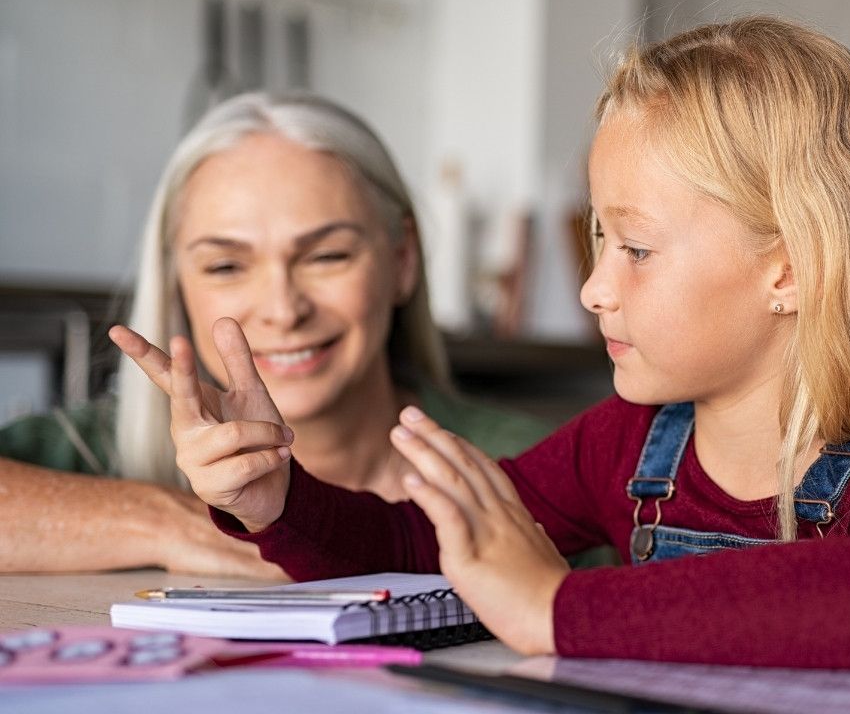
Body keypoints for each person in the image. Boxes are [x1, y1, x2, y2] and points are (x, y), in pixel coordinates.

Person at [120, 18, 850, 668]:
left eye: (637, 249)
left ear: (787, 269)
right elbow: (428, 547)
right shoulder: (623, 445)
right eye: (596, 241)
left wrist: (554, 611)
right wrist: (275, 499)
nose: (591, 288)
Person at [0, 91, 549, 577]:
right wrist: (169, 522)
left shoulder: (528, 465)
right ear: (175, 286)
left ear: (402, 260)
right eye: (225, 266)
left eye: (328, 256)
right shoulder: (91, 452)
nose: (284, 311)